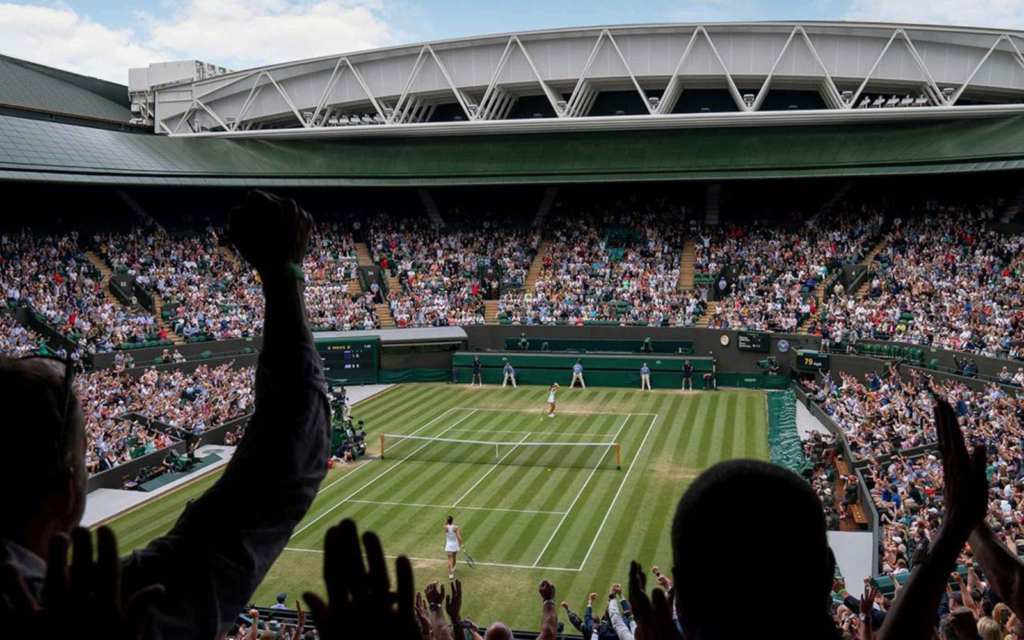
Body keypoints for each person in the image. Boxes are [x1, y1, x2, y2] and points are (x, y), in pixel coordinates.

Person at [0, 190, 331, 640]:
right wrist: (283, 271)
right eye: (80, 457)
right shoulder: (106, 608)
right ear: (67, 491)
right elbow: (284, 463)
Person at [444, 515, 464, 580]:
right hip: (455, 545)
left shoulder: (445, 527)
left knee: (450, 560)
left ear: (447, 521)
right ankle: (454, 567)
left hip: (449, 545)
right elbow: (458, 536)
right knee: (454, 557)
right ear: (452, 521)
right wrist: (462, 543)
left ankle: (451, 574)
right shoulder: (455, 527)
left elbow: (446, 525)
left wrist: (447, 522)